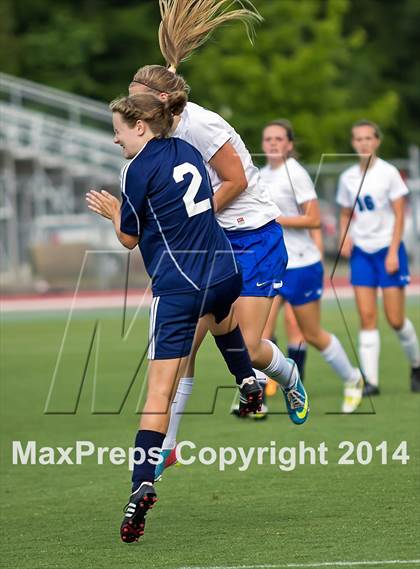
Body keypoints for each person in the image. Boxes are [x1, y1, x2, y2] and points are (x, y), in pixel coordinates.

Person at [128, 0, 310, 478]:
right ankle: (166, 446)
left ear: (161, 100)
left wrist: (197, 218)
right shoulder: (153, 133)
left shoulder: (200, 124)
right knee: (183, 345)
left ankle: (289, 377)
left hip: (253, 237)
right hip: (210, 246)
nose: (130, 107)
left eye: (135, 97)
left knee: (249, 349)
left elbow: (237, 181)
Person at [86, 91, 264, 542]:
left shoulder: (135, 169)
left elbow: (129, 239)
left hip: (179, 285)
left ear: (141, 127)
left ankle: (139, 484)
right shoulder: (187, 149)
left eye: (118, 131)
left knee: (157, 396)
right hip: (224, 271)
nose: (115, 141)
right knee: (222, 315)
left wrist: (113, 214)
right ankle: (248, 381)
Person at [259, 119, 363, 413]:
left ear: (290, 144)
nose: (274, 144)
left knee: (313, 333)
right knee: (259, 335)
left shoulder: (296, 174)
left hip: (303, 265)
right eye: (268, 139)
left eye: (280, 139)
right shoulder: (261, 175)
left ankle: (353, 378)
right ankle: (260, 399)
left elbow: (314, 219)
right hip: (274, 265)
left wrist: (275, 219)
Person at [337, 120, 420, 395]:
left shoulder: (389, 174)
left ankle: (416, 364)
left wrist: (395, 250)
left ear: (377, 141)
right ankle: (370, 381)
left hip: (388, 251)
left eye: (368, 138)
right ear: (353, 143)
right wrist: (344, 236)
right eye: (358, 139)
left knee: (395, 319)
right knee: (366, 317)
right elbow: (346, 213)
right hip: (362, 253)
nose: (363, 143)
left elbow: (400, 214)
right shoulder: (348, 177)